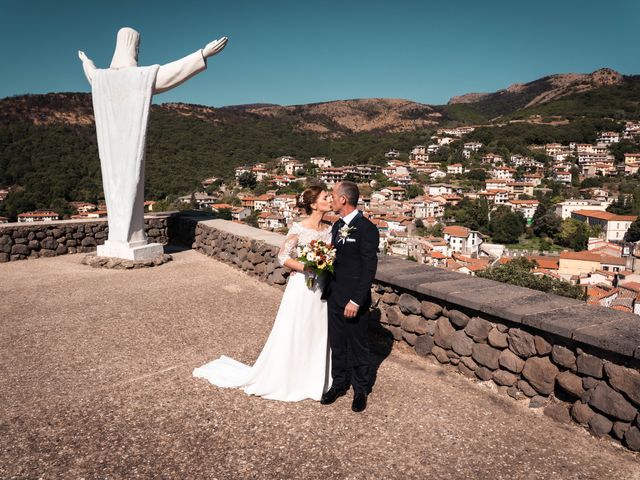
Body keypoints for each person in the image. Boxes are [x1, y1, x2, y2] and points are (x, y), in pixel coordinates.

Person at [193, 187, 333, 401]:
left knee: (318, 328)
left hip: (321, 287)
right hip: (302, 286)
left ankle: (315, 377)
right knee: (297, 328)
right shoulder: (299, 227)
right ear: (314, 205)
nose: (330, 199)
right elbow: (283, 257)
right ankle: (289, 377)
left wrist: (325, 263)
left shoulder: (329, 228)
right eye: (326, 197)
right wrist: (307, 268)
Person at [321, 181, 379, 412]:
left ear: (343, 199)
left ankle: (360, 389)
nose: (331, 200)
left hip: (354, 300)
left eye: (333, 196)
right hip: (334, 294)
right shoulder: (336, 227)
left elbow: (368, 268)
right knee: (337, 343)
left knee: (358, 345)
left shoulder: (366, 228)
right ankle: (339, 383)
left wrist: (356, 300)